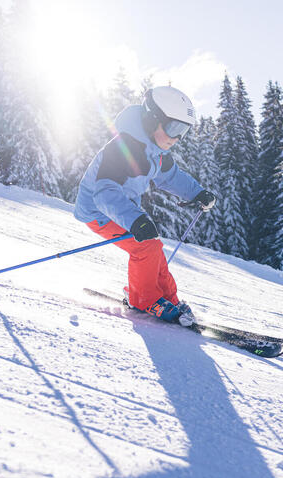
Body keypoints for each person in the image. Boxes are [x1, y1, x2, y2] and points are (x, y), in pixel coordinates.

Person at [74, 85, 216, 325]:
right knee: (145, 247)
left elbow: (171, 177)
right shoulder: (124, 147)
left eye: (183, 131)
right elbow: (104, 192)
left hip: (120, 208)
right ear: (152, 121)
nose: (176, 138)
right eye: (173, 128)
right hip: (98, 210)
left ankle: (168, 298)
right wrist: (135, 220)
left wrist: (197, 193)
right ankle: (144, 299)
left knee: (154, 248)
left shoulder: (156, 151)